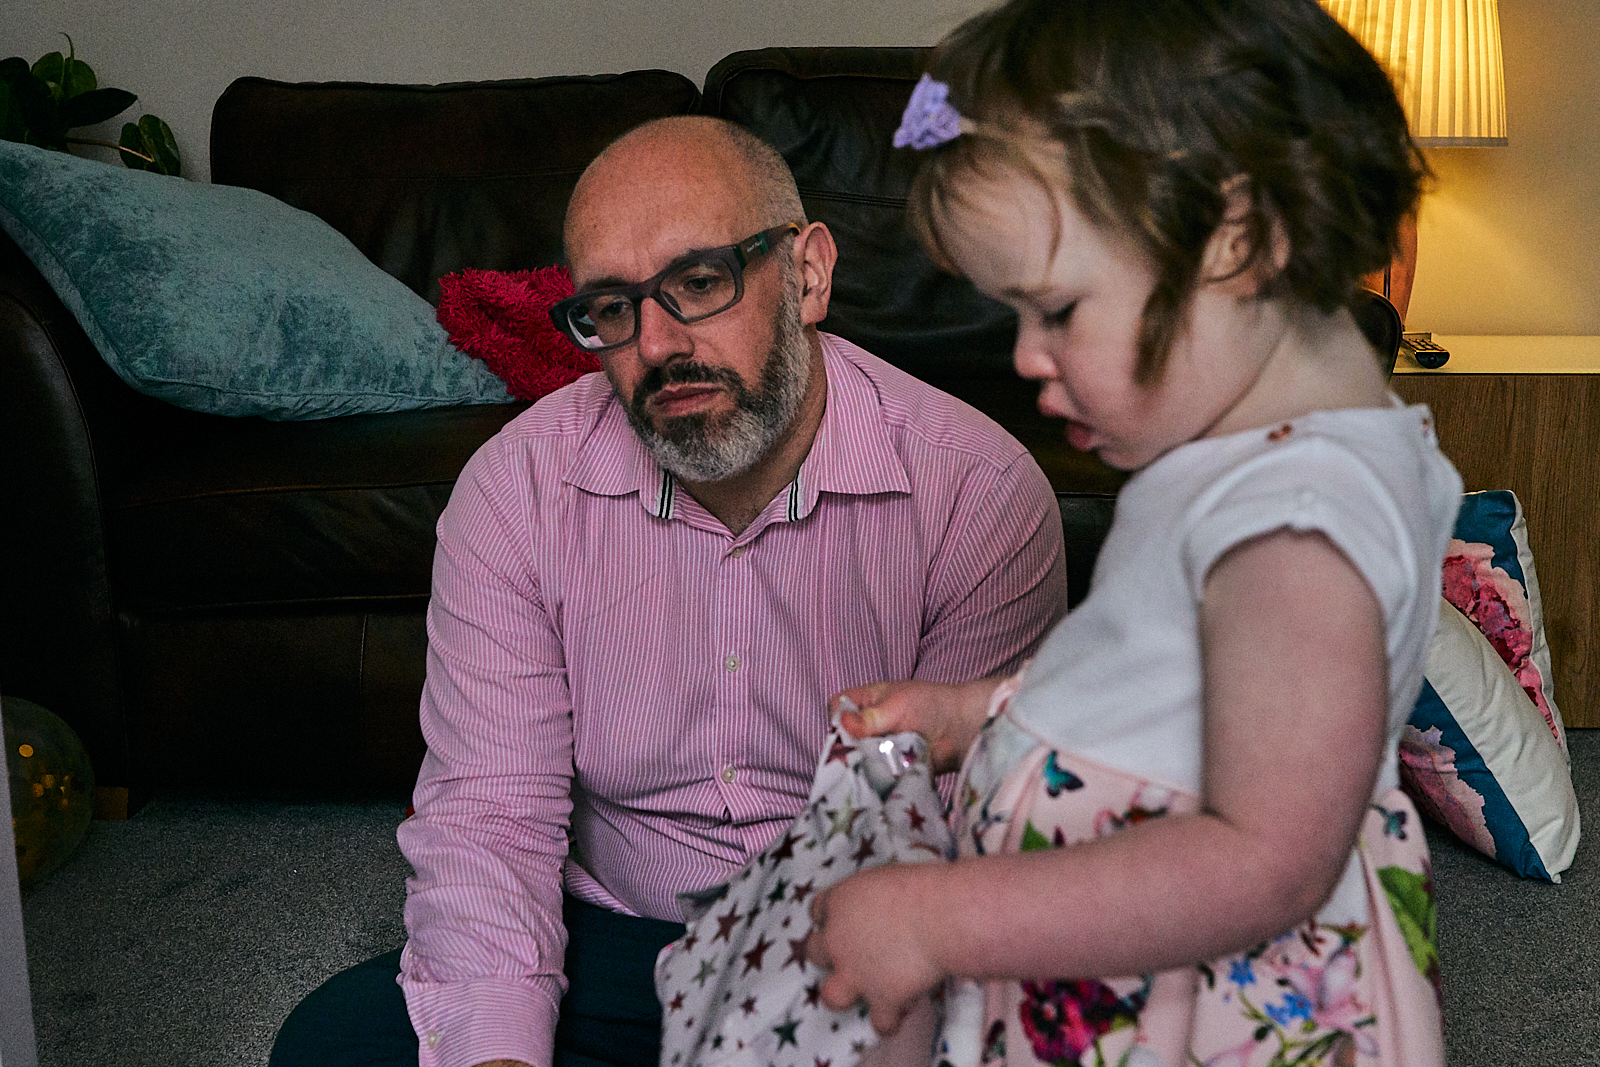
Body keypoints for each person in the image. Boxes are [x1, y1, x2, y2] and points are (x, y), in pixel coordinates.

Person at [269, 116, 1066, 1067]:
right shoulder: (514, 489)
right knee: (333, 1042)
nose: (654, 344)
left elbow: (972, 849)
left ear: (808, 274)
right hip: (612, 944)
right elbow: (490, 818)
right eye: (610, 305)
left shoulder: (978, 490)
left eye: (698, 282)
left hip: (859, 953)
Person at [806, 1, 1461, 1064]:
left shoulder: (1294, 529)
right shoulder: (1243, 456)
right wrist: (983, 711)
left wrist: (940, 917)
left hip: (1194, 1015)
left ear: (1235, 240)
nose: (1026, 355)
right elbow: (1172, 683)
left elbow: (1263, 861)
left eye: (1056, 310)